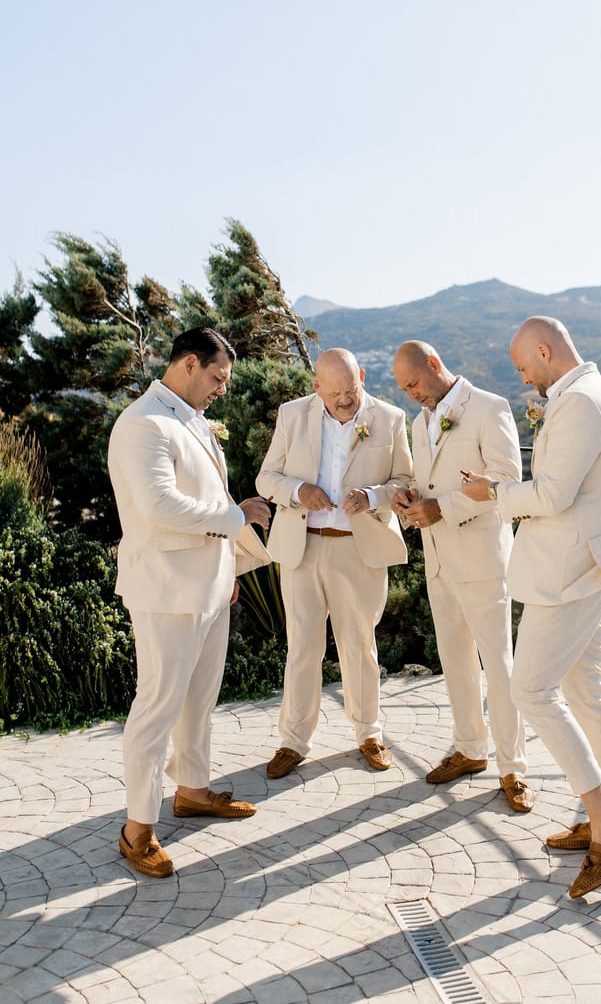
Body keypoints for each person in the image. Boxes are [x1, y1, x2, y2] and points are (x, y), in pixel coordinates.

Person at [462, 316, 601, 899]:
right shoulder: (599, 393)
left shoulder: (581, 403)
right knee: (586, 691)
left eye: (523, 366)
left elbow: (551, 494)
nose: (523, 379)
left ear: (544, 351)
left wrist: (491, 492)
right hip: (593, 560)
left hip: (568, 573)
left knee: (531, 690)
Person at [107, 327, 271, 878]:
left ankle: (193, 791)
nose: (222, 388)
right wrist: (237, 517)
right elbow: (160, 506)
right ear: (189, 364)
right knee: (156, 706)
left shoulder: (191, 417)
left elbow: (203, 494)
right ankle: (137, 829)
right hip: (165, 590)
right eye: (218, 377)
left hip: (208, 586)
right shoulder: (143, 423)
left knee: (199, 699)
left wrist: (228, 567)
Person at [256, 347, 412, 778]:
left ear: (362, 376)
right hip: (302, 548)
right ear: (316, 387)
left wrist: (373, 497)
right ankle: (293, 741)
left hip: (358, 549)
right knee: (303, 647)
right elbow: (266, 478)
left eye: (351, 390)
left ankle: (369, 733)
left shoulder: (390, 419)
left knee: (359, 645)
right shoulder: (292, 415)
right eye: (335, 393)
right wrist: (298, 491)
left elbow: (406, 480)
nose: (345, 400)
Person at [391, 341, 532, 813]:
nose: (412, 394)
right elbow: (428, 482)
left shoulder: (490, 408)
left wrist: (443, 508)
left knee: (499, 665)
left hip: (483, 559)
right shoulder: (419, 423)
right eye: (404, 389)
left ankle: (513, 767)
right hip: (438, 560)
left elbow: (506, 482)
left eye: (414, 383)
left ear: (435, 364)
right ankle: (470, 748)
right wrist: (411, 498)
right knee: (455, 660)